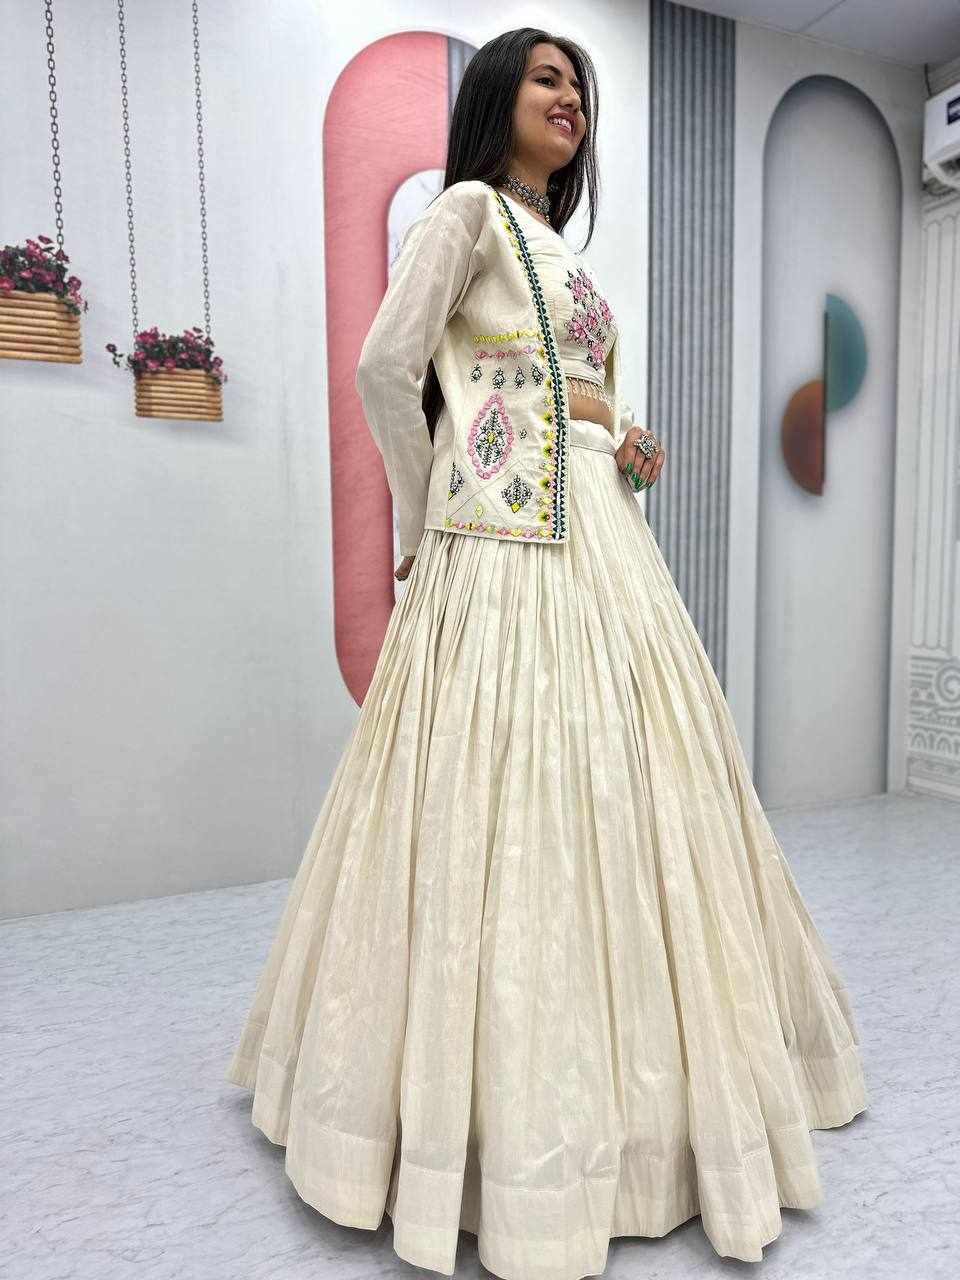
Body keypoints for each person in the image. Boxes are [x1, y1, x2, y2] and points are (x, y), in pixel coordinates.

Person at [226, 27, 868, 1280]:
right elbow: (386, 367)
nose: (570, 98)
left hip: (599, 539)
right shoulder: (463, 212)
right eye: (546, 78)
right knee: (503, 800)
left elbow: (574, 392)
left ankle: (644, 1106)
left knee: (625, 794)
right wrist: (429, 512)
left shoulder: (562, 251)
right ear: (495, 99)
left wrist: (622, 440)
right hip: (502, 544)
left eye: (580, 85)